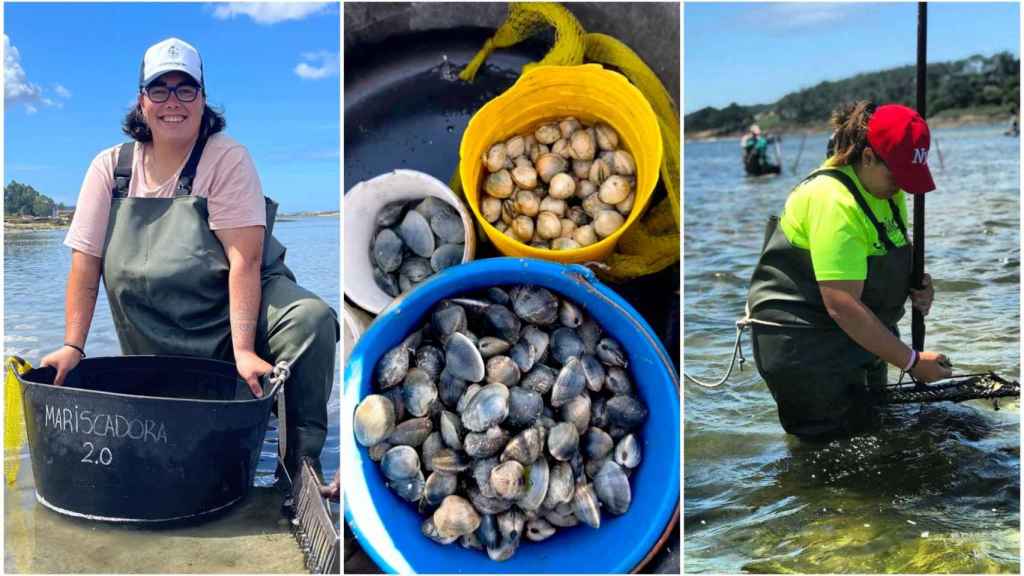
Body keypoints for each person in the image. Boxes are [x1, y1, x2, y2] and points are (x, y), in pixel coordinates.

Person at [41, 38, 338, 481]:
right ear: (142, 100)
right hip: (159, 334)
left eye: (186, 89)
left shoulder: (226, 158)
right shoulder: (109, 169)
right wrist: (73, 345)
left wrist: (241, 349)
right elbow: (85, 266)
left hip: (239, 309)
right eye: (160, 89)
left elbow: (245, 260)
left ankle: (298, 466)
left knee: (310, 320)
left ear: (202, 99)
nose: (172, 102)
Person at [747, 101, 952, 437]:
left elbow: (882, 248)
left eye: (909, 176)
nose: (902, 186)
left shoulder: (884, 187)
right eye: (897, 175)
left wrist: (917, 285)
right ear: (867, 157)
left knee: (881, 437)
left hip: (861, 341)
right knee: (834, 457)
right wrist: (912, 362)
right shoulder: (833, 200)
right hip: (808, 350)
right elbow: (842, 305)